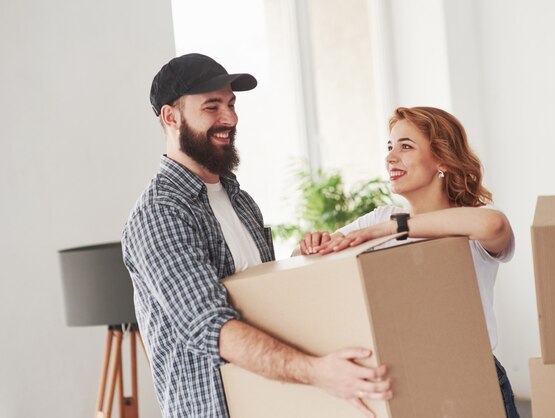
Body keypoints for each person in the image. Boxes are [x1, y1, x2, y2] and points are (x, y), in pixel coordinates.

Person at [121, 53, 392, 418]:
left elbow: (258, 302)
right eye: (212, 107)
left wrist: (300, 261)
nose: (230, 119)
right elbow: (211, 328)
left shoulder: (240, 201)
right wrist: (316, 372)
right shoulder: (160, 214)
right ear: (171, 117)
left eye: (231, 104)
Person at [298, 106, 520, 418]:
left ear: (441, 159)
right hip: (405, 380)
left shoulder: (468, 223)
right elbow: (301, 261)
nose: (390, 158)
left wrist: (395, 228)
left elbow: (494, 226)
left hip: (471, 376)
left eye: (405, 146)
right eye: (389, 147)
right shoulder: (380, 217)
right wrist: (312, 245)